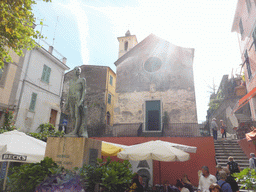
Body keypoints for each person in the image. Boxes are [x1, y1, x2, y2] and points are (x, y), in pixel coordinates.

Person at [64, 66, 88, 137]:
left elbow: (84, 90)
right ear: (73, 71)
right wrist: (67, 102)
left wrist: (81, 100)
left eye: (79, 70)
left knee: (77, 115)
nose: (78, 71)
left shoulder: (82, 80)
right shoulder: (71, 81)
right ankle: (74, 130)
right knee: (72, 116)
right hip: (71, 99)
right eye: (76, 69)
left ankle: (75, 131)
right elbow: (69, 92)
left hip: (78, 98)